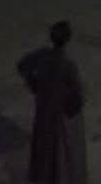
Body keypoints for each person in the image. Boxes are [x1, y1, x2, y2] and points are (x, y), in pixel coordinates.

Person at [17, 20, 88, 184]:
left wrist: (34, 84)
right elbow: (78, 95)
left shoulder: (42, 56)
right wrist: (71, 109)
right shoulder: (68, 65)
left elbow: (22, 66)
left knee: (44, 149)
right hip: (59, 116)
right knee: (60, 152)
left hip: (43, 112)